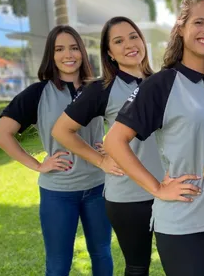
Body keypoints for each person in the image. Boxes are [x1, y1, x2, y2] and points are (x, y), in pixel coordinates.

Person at [103, 0, 204, 276]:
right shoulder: (161, 84)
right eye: (199, 22)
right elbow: (113, 141)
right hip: (184, 223)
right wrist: (157, 188)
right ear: (181, 28)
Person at [0, 25, 113, 276]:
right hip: (58, 192)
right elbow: (0, 134)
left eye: (74, 47)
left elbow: (127, 121)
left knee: (102, 252)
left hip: (99, 186)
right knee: (58, 263)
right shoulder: (37, 93)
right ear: (51, 55)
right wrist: (38, 165)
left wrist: (109, 144)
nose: (68, 54)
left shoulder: (99, 88)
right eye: (59, 49)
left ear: (82, 52)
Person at [51, 16, 164, 276]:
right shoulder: (103, 89)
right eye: (118, 41)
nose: (129, 45)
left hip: (170, 189)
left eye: (133, 36)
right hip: (128, 196)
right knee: (138, 267)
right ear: (109, 52)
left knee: (181, 264)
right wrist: (100, 160)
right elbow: (61, 130)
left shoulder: (165, 82)